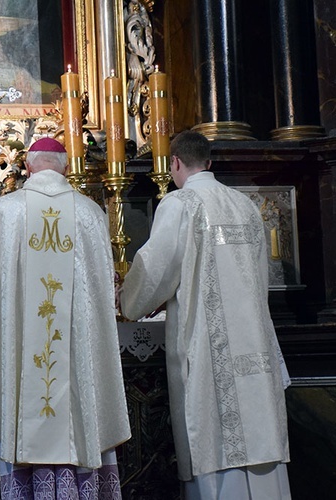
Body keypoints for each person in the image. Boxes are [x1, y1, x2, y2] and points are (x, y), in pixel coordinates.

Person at [119, 130, 291, 499]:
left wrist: (128, 302)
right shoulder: (246, 205)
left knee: (214, 438)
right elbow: (259, 275)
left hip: (209, 348)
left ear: (175, 162)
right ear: (209, 162)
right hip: (255, 341)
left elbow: (156, 268)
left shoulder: (181, 204)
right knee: (259, 440)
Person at [0, 137, 131, 499]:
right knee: (78, 406)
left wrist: (0, 325)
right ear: (66, 167)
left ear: (27, 167)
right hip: (76, 361)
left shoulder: (5, 212)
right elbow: (105, 291)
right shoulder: (90, 213)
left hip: (24, 359)